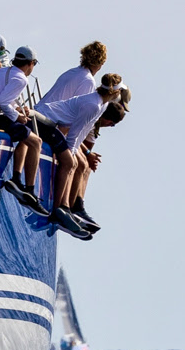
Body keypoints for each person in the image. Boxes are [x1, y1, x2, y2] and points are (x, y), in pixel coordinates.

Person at [34, 77, 125, 235]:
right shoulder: (93, 104)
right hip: (45, 120)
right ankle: (58, 211)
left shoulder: (101, 105)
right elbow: (74, 133)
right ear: (114, 92)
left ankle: (65, 209)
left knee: (73, 163)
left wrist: (73, 153)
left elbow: (82, 132)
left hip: (54, 124)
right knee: (70, 162)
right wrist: (70, 154)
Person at [0, 46, 45, 210]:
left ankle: (17, 178)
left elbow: (2, 97)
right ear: (31, 63)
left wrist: (18, 109)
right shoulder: (21, 79)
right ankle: (29, 190)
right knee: (36, 142)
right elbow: (2, 102)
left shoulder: (3, 71)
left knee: (27, 134)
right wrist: (18, 116)